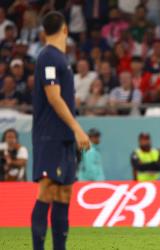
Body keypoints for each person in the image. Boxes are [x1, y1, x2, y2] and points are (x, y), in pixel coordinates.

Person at [31, 11, 90, 250]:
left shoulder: (61, 59)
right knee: (47, 190)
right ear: (65, 29)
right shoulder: (48, 57)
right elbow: (54, 98)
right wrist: (78, 129)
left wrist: (72, 133)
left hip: (64, 137)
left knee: (64, 194)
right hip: (50, 136)